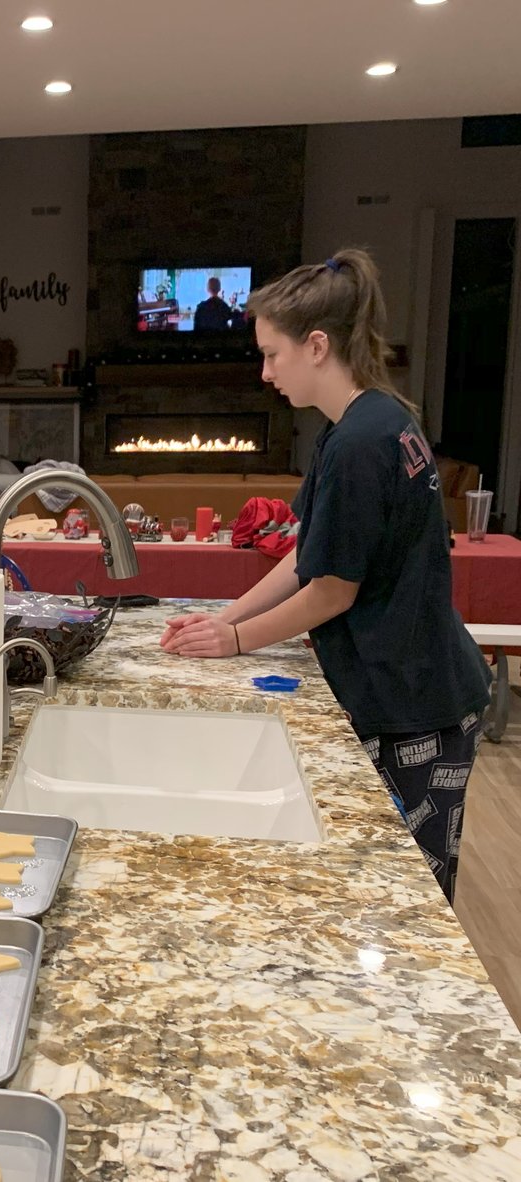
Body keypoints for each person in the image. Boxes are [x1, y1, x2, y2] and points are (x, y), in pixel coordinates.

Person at [159, 249, 491, 904]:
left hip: (417, 705)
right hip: (415, 685)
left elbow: (333, 590)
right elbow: (308, 550)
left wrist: (235, 640)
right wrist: (226, 618)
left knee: (406, 902)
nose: (265, 373)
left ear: (316, 346)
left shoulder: (360, 444)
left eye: (272, 354)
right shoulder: (369, 420)